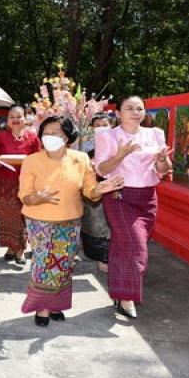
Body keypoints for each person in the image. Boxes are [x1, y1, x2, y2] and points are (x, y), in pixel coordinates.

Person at [19, 116, 122, 326]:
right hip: (40, 221)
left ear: (67, 136)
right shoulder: (32, 160)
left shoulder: (81, 158)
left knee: (63, 265)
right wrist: (36, 198)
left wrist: (99, 190)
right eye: (45, 132)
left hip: (70, 221)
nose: (49, 136)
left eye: (54, 132)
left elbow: (90, 190)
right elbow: (24, 194)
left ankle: (56, 304)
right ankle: (42, 307)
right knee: (43, 264)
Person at [95, 95, 172, 319]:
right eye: (129, 108)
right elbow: (101, 169)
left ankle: (120, 294)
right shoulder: (108, 135)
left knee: (123, 246)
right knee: (136, 247)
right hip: (119, 195)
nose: (136, 112)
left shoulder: (154, 134)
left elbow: (163, 169)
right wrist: (121, 154)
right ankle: (128, 298)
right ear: (117, 113)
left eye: (140, 108)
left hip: (147, 198)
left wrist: (161, 159)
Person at [0, 106, 41, 265]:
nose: (15, 119)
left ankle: (20, 249)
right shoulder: (0, 136)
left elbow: (39, 159)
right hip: (4, 183)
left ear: (25, 119)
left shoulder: (33, 137)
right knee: (5, 216)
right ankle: (10, 248)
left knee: (22, 216)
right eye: (11, 116)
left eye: (18, 116)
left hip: (25, 182)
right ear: (7, 120)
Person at [81, 114, 113, 272]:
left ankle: (111, 256)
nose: (101, 128)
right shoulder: (87, 147)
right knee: (96, 225)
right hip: (95, 190)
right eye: (97, 125)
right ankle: (101, 257)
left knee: (112, 224)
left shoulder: (117, 145)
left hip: (115, 189)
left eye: (104, 124)